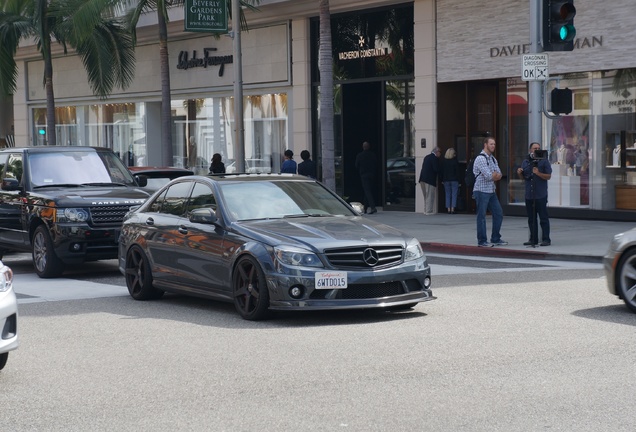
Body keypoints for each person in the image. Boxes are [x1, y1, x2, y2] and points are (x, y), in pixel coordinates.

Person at [473, 137, 507, 247]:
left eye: (494, 144)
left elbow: (500, 174)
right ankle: (482, 241)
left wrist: (494, 175)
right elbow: (488, 176)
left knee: (498, 213)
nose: (493, 146)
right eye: (491, 144)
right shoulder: (480, 158)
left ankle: (495, 237)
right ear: (485, 144)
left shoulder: (492, 158)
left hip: (491, 190)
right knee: (481, 216)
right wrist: (494, 175)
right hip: (481, 190)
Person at [517, 142, 552, 247]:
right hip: (529, 195)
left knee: (543, 218)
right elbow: (524, 179)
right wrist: (520, 173)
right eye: (534, 148)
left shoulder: (544, 161)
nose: (536, 149)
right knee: (531, 218)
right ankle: (533, 239)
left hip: (540, 194)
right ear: (530, 150)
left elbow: (548, 176)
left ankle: (546, 239)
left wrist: (538, 173)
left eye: (538, 148)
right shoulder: (526, 161)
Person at [355, 141, 377, 214]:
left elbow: (356, 166)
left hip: (364, 175)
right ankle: (365, 208)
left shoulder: (360, 155)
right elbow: (375, 164)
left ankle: (373, 207)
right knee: (367, 191)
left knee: (367, 191)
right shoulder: (372, 155)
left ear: (363, 147)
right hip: (371, 174)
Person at [418, 146, 440, 215]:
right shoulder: (434, 158)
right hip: (430, 180)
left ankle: (425, 210)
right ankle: (429, 211)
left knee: (425, 195)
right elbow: (436, 169)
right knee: (430, 195)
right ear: (437, 152)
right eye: (440, 152)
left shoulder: (426, 157)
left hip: (422, 179)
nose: (440, 154)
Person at [441, 148, 460, 214]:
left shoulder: (444, 162)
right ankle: (453, 208)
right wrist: (459, 180)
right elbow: (457, 172)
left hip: (446, 180)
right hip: (454, 180)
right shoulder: (455, 161)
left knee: (447, 194)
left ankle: (448, 209)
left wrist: (442, 179)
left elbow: (442, 171)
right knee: (454, 194)